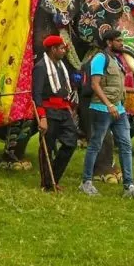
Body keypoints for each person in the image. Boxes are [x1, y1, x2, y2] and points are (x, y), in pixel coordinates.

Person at [79, 30, 134, 199]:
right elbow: (95, 84)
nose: (122, 43)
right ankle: (86, 182)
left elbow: (116, 87)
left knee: (126, 146)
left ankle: (129, 186)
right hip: (101, 109)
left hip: (118, 109)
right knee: (95, 145)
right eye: (118, 41)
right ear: (109, 42)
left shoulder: (117, 61)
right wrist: (108, 104)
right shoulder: (99, 58)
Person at [32, 35, 78, 192]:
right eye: (61, 48)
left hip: (63, 110)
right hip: (49, 112)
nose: (64, 51)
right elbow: (36, 94)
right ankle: (47, 183)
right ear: (53, 49)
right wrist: (42, 117)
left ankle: (54, 177)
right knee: (47, 147)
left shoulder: (60, 65)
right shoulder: (40, 67)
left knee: (71, 142)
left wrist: (69, 108)